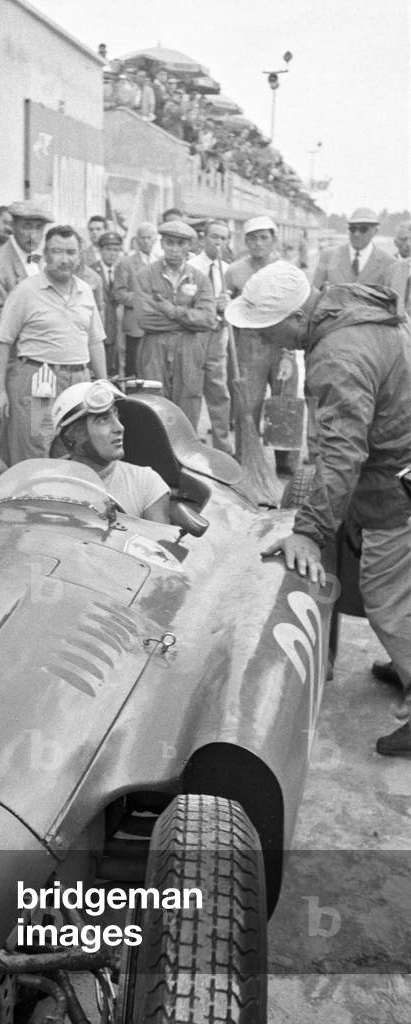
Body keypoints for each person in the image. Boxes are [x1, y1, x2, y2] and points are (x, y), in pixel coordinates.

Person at [225, 262, 411, 759]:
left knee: (386, 596)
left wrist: (308, 530)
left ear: (295, 319)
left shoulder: (337, 356)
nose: (264, 338)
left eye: (267, 329)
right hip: (399, 464)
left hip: (394, 487)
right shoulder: (350, 311)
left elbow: (342, 454)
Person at [0, 224, 106, 465]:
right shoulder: (26, 291)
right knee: (38, 447)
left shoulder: (85, 290)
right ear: (45, 255)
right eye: (57, 251)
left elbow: (95, 341)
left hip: (78, 381)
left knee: (75, 447)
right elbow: (3, 341)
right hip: (41, 380)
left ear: (80, 256)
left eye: (71, 252)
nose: (65, 259)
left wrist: (102, 384)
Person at [0, 200, 53, 462]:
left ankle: (33, 479)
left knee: (38, 434)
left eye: (38, 228)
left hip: (40, 368)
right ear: (14, 227)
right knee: (6, 434)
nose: (33, 235)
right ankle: (3, 484)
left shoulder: (42, 261)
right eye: (27, 227)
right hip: (10, 367)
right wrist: (37, 324)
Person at [225, 215, 299, 476]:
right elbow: (227, 309)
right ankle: (246, 459)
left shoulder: (286, 270)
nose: (258, 243)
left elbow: (296, 315)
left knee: (285, 402)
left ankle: (285, 461)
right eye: (253, 238)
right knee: (247, 404)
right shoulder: (234, 271)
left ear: (273, 239)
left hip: (281, 344)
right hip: (249, 344)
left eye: (263, 237)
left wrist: (288, 356)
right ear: (245, 241)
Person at [51, 379, 170, 522]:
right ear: (74, 435)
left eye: (116, 415)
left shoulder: (146, 482)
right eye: (103, 419)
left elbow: (160, 536)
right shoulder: (48, 485)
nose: (119, 427)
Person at [136, 219, 217, 429]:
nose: (174, 249)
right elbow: (145, 319)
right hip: (154, 347)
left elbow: (208, 319)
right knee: (153, 403)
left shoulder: (199, 279)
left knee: (188, 401)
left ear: (189, 246)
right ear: (162, 244)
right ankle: (156, 448)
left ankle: (185, 447)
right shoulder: (145, 275)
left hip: (189, 347)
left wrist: (174, 311)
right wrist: (188, 320)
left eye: (181, 244)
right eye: (170, 242)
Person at [188, 220, 233, 454]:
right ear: (204, 238)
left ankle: (223, 447)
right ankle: (189, 445)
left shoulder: (227, 270)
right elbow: (185, 304)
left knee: (218, 391)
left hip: (217, 335)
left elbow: (236, 310)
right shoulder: (190, 267)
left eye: (223, 238)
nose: (218, 242)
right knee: (192, 389)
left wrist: (228, 305)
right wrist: (211, 305)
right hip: (194, 336)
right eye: (214, 236)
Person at [313, 208, 407, 309]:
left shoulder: (390, 263)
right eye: (352, 229)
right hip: (332, 317)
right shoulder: (328, 256)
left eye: (363, 229)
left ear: (375, 231)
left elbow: (394, 306)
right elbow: (314, 294)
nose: (356, 234)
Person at [113, 221, 156, 377]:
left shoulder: (160, 262)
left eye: (149, 238)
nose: (146, 241)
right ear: (137, 240)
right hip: (135, 325)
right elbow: (119, 293)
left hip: (158, 324)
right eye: (143, 238)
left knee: (154, 367)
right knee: (134, 367)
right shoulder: (126, 263)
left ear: (155, 239)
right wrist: (141, 300)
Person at [91, 230, 124, 375]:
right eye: (109, 249)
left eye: (116, 250)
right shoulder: (92, 271)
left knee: (113, 369)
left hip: (116, 330)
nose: (112, 254)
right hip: (97, 326)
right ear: (101, 250)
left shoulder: (122, 270)